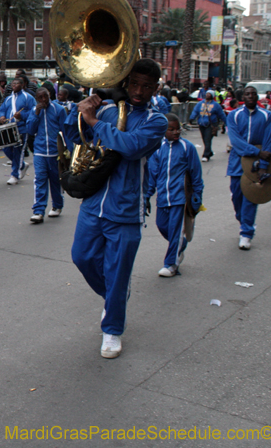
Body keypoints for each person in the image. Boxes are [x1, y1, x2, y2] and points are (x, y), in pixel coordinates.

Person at [64, 58, 168, 359]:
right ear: (125, 80)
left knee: (118, 272)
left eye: (146, 86)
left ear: (155, 88)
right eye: (134, 83)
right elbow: (75, 137)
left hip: (126, 208)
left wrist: (96, 123)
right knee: (81, 257)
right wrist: (83, 111)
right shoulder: (108, 108)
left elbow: (131, 146)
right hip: (94, 202)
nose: (138, 91)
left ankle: (112, 329)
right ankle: (114, 296)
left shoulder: (156, 120)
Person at [145, 113, 203, 278]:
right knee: (163, 226)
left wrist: (197, 196)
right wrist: (147, 196)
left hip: (180, 198)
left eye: (178, 129)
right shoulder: (156, 149)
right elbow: (152, 175)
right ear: (164, 130)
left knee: (176, 230)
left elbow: (196, 174)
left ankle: (171, 264)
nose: (176, 132)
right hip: (163, 197)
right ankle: (179, 245)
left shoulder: (187, 147)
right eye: (171, 129)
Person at [226, 86, 271, 250]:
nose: (250, 96)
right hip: (238, 160)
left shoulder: (266, 116)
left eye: (253, 94)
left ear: (257, 97)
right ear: (243, 97)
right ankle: (243, 221)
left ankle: (246, 233)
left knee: (251, 196)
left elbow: (269, 140)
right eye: (247, 94)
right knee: (237, 196)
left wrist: (263, 165)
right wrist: (256, 151)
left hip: (257, 161)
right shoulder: (234, 115)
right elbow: (235, 141)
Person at [26, 87, 66, 223]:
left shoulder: (58, 109)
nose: (43, 100)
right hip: (40, 152)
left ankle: (57, 205)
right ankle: (38, 210)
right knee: (40, 180)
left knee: (56, 180)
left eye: (45, 96)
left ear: (49, 96)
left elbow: (65, 131)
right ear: (37, 98)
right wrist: (36, 113)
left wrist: (67, 152)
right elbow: (30, 130)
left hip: (56, 152)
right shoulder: (33, 110)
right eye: (40, 97)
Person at [0, 77, 35, 185]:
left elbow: (33, 112)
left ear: (23, 85)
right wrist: (1, 116)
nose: (14, 85)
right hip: (8, 127)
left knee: (18, 151)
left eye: (17, 83)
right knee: (6, 149)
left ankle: (15, 175)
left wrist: (22, 115)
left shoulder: (28, 97)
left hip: (21, 128)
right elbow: (2, 110)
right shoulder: (8, 98)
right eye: (13, 83)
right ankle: (22, 165)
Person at [190, 91, 226, 162]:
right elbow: (195, 111)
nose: (207, 95)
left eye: (209, 94)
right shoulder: (200, 103)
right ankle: (209, 152)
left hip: (211, 125)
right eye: (207, 94)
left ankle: (205, 155)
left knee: (207, 139)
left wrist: (227, 123)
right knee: (205, 139)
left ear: (212, 96)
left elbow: (221, 114)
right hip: (201, 124)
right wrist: (192, 118)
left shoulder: (216, 105)